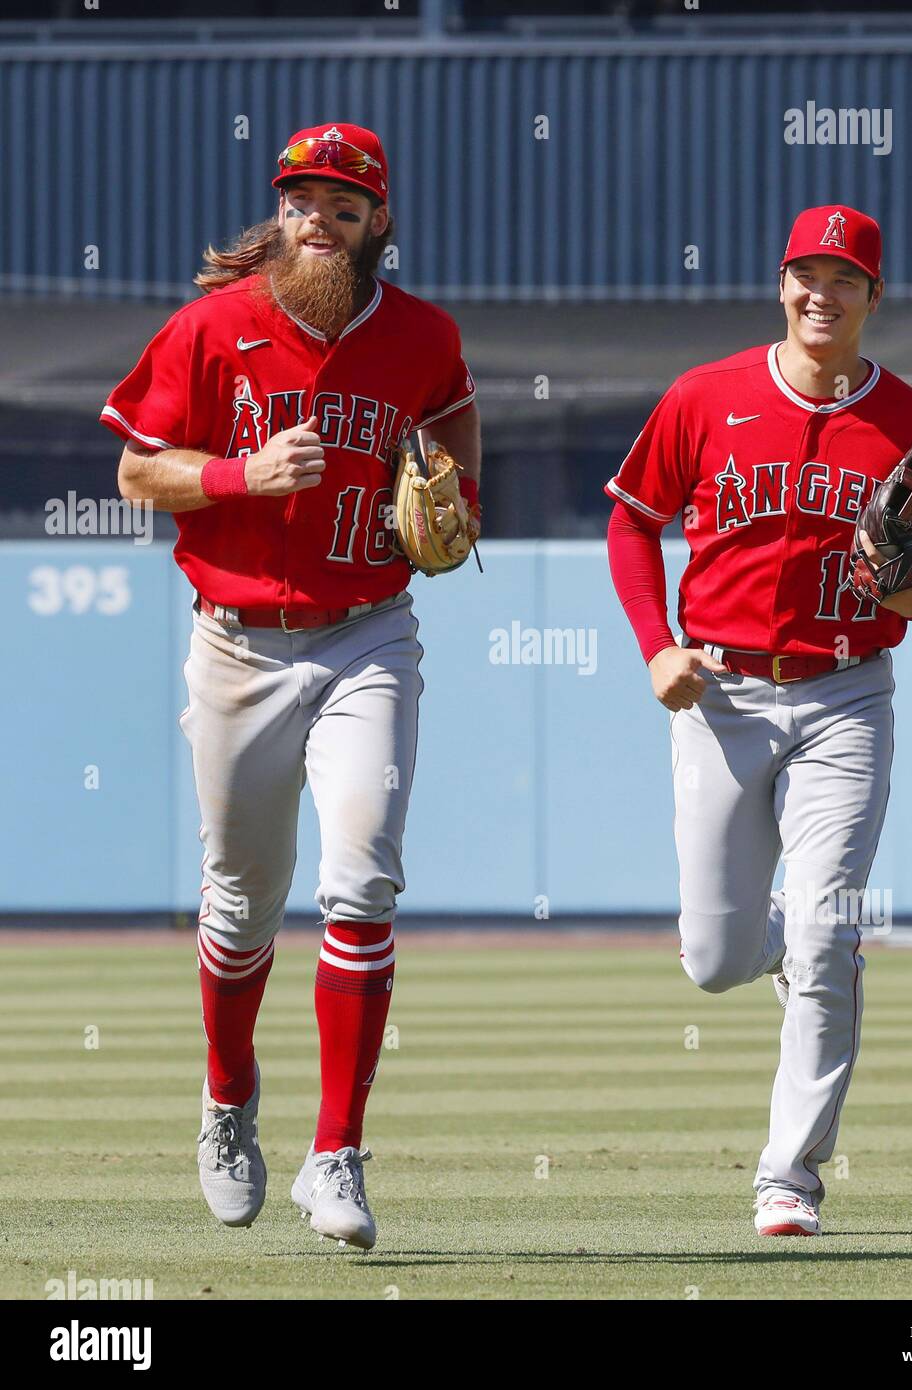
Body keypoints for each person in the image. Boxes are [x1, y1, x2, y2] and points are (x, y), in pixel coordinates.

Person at [100, 122, 480, 1250]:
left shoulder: (421, 336)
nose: (322, 216)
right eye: (304, 197)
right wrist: (237, 474)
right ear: (283, 211)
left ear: (378, 224)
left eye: (345, 202)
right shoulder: (213, 327)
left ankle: (338, 1154)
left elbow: (454, 446)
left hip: (368, 633)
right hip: (236, 642)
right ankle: (227, 1106)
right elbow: (132, 469)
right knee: (239, 903)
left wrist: (453, 505)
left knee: (361, 881)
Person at [604, 205, 912, 1236]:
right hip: (719, 693)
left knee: (824, 934)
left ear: (874, 294)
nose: (822, 292)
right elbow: (633, 519)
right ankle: (779, 934)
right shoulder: (705, 396)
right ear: (781, 284)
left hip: (846, 695)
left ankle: (790, 1174)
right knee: (719, 959)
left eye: (844, 277)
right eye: (804, 273)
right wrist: (653, 645)